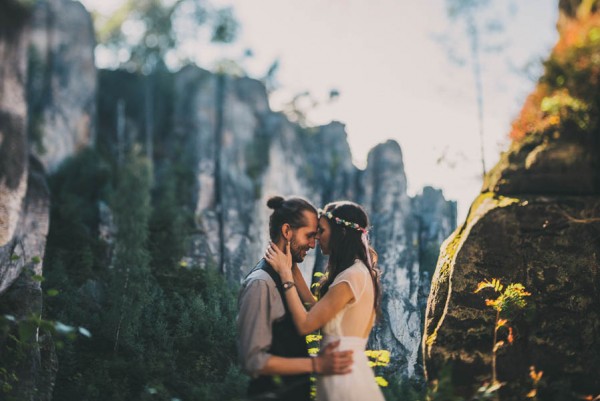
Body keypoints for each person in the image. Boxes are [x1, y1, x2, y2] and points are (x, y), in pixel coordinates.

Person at [265, 200, 384, 401]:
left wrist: (286, 276)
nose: (317, 237)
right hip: (344, 372)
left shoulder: (351, 276)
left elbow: (306, 324)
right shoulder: (356, 271)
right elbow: (320, 310)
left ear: (341, 233)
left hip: (343, 379)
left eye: (321, 230)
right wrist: (292, 266)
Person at [237, 196, 354, 401]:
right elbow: (253, 361)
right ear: (287, 231)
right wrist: (318, 364)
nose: (312, 244)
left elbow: (315, 315)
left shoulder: (287, 278)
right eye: (309, 236)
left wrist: (291, 272)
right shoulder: (261, 283)